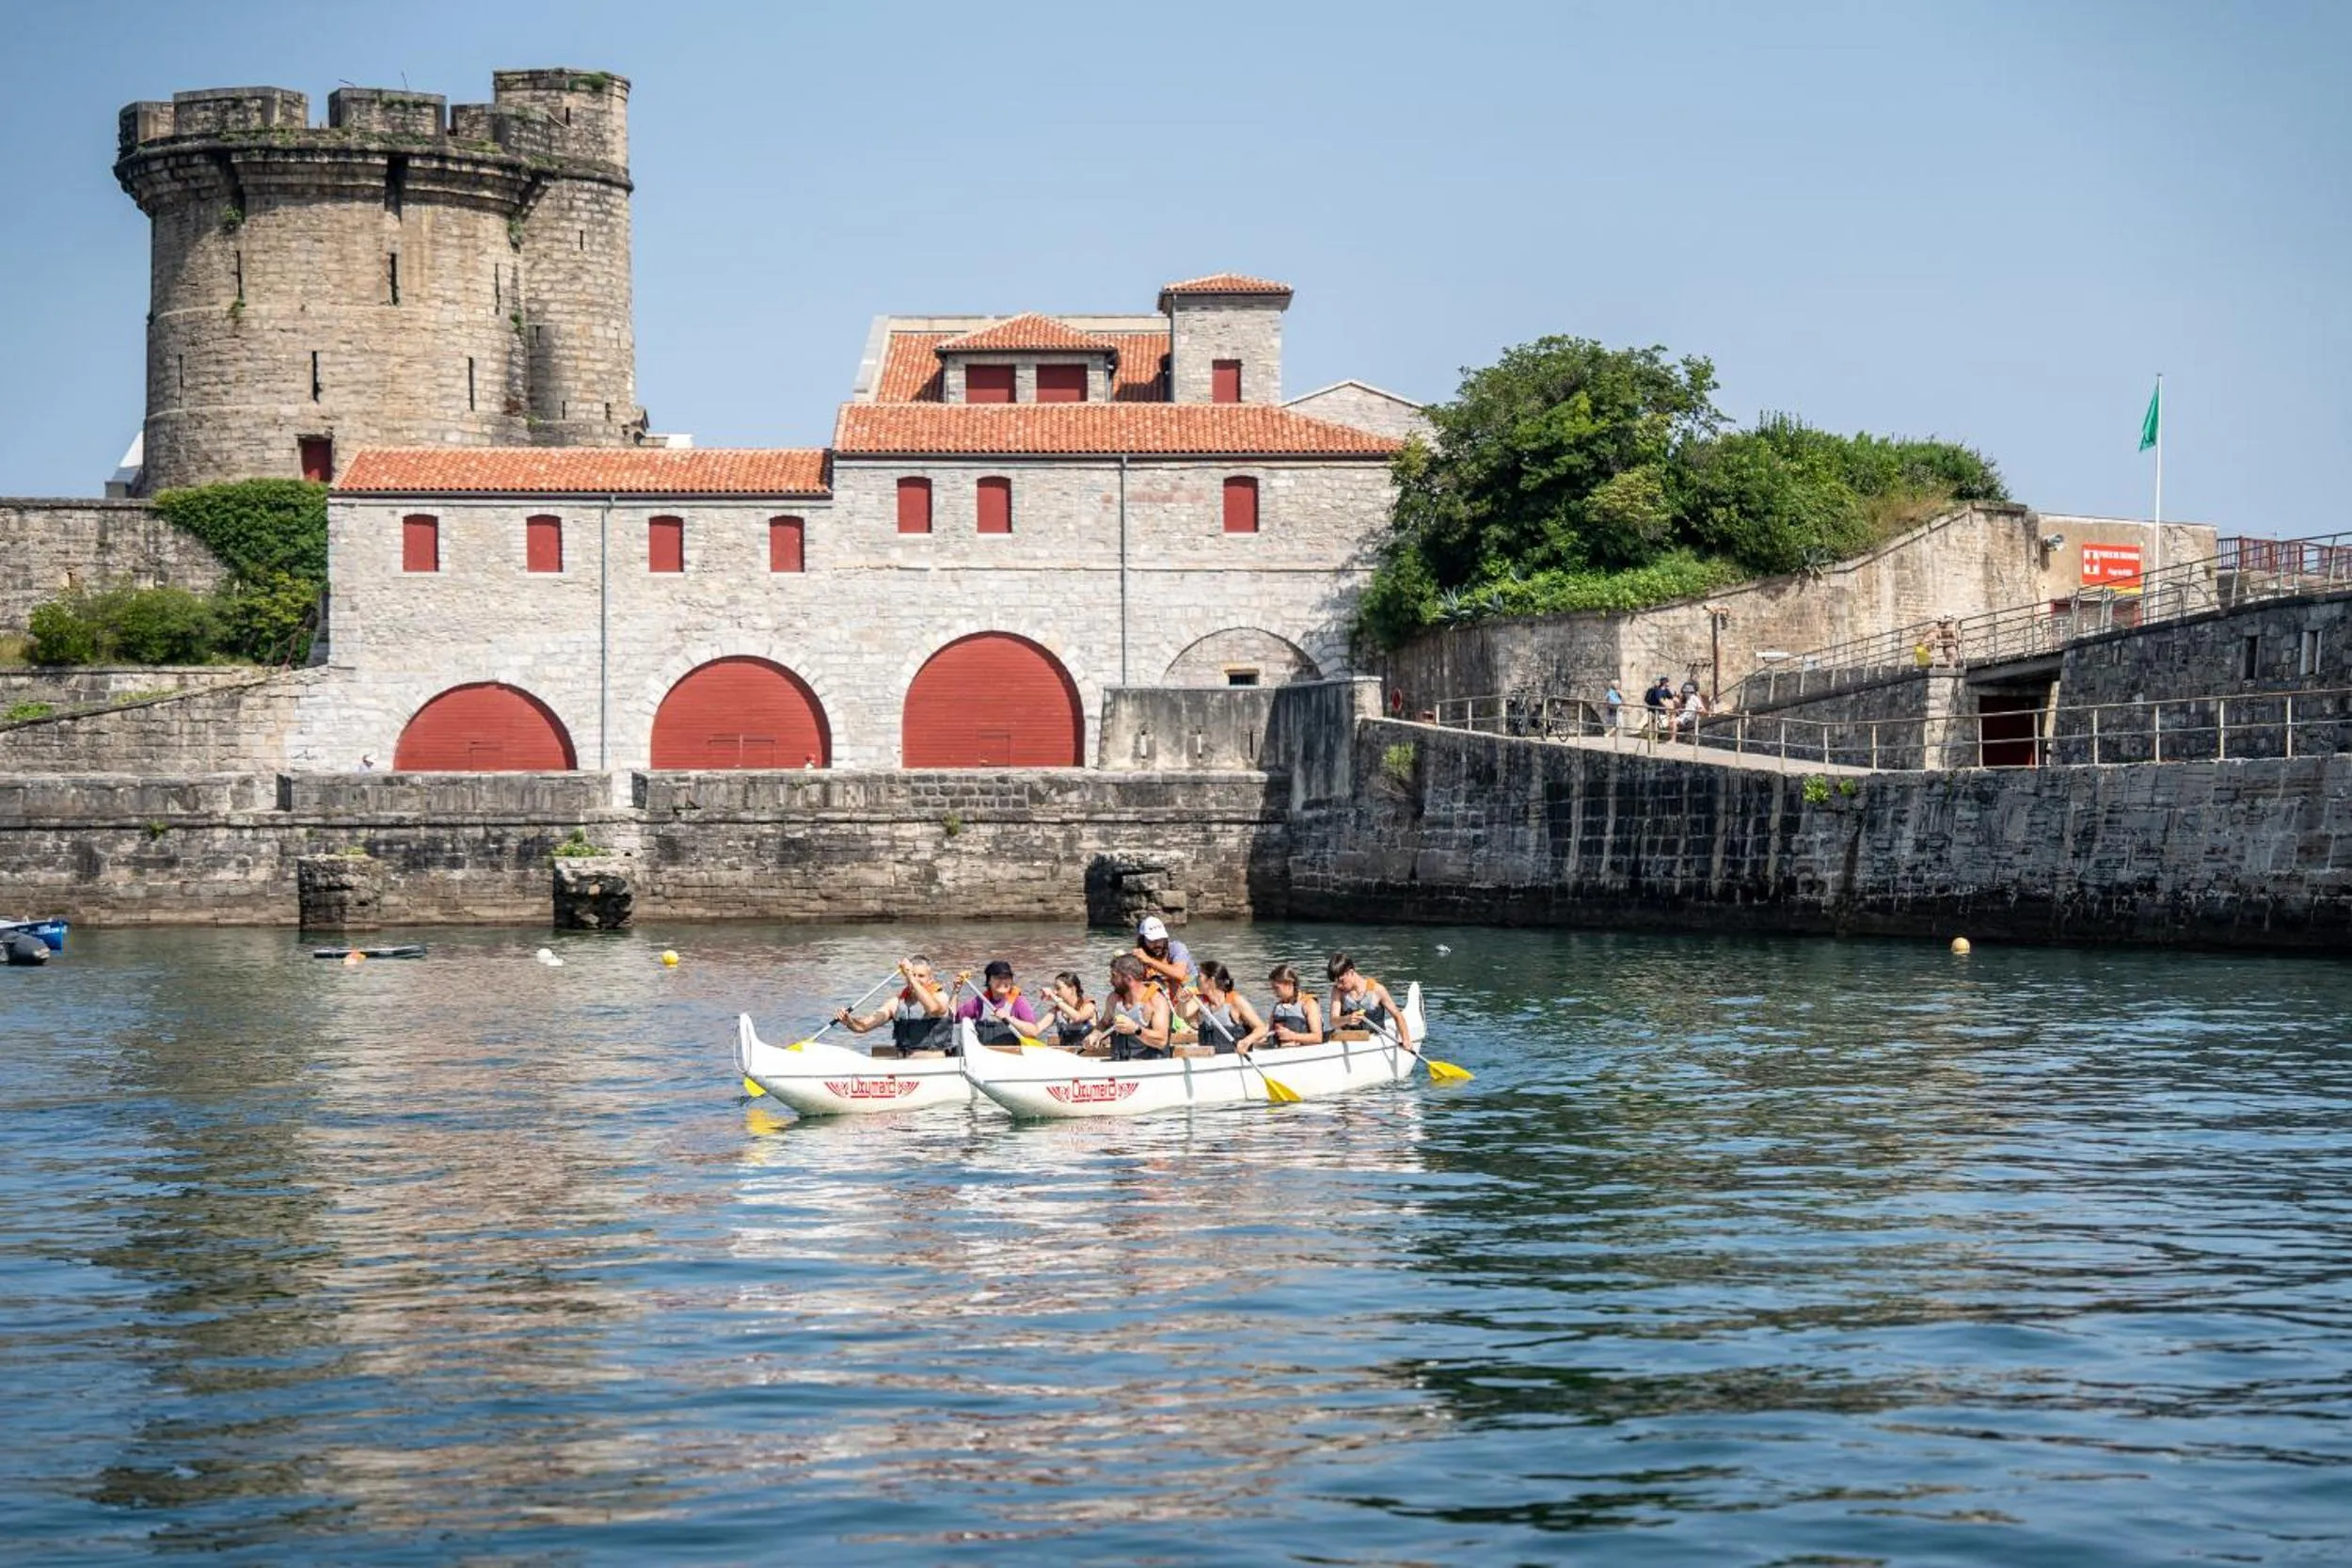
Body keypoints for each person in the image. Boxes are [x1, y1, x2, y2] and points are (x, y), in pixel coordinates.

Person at [834, 955, 953, 1055]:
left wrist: (910, 976)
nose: (916, 979)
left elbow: (933, 1009)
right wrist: (849, 1021)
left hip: (934, 1060)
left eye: (921, 976)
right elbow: (863, 1027)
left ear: (930, 979)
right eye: (913, 975)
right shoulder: (895, 1003)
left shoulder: (941, 997)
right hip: (903, 1063)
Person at [1176, 959, 1267, 1055]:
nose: (1196, 979)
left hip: (1234, 1058)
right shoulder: (1200, 1000)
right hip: (1208, 1059)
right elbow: (1181, 1014)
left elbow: (1261, 1028)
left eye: (1199, 976)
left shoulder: (1235, 1001)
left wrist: (1247, 1041)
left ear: (1211, 981)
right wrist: (1182, 1000)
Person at [1093, 954, 1170, 1060]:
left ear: (1129, 979)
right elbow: (1104, 1023)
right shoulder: (1113, 998)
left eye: (1114, 976)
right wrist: (1094, 1034)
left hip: (1150, 1066)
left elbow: (1162, 1041)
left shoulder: (1156, 1001)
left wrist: (1136, 1030)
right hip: (1119, 1064)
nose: (1110, 981)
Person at [1327, 951, 1414, 1044]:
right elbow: (1333, 1021)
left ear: (1351, 972)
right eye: (1336, 982)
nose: (1339, 986)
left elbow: (1397, 1016)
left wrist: (1406, 1039)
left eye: (1341, 981)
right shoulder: (1337, 991)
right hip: (1351, 1039)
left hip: (1375, 1040)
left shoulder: (1378, 990)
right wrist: (1347, 1019)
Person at [954, 958, 1041, 1047]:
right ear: (989, 981)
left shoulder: (1019, 1002)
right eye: (998, 977)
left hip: (1011, 1056)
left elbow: (1033, 1032)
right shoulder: (979, 1002)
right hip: (984, 1055)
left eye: (1007, 978)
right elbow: (953, 1018)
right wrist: (955, 992)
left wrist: (1009, 1018)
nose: (1003, 981)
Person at [1039, 970, 1099, 1052]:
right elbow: (1036, 1029)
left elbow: (1077, 1017)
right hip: (1066, 1058)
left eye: (1058, 988)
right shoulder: (1057, 1010)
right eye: (1054, 989)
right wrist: (1015, 1020)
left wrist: (1053, 997)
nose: (1055, 992)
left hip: (1089, 1056)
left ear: (1072, 990)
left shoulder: (1088, 1006)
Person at [1265, 963, 1324, 1046]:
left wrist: (1292, 1036)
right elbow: (1267, 1032)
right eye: (1273, 988)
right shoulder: (1277, 1007)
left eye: (1276, 988)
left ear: (1289, 984)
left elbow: (1318, 1038)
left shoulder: (1309, 1004)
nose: (1274, 992)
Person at [1132, 915, 1194, 990]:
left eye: (1160, 939)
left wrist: (1148, 960)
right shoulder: (1140, 955)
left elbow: (1179, 974)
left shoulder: (1177, 948)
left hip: (1189, 991)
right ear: (1142, 940)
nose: (1157, 944)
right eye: (1152, 940)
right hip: (1160, 994)